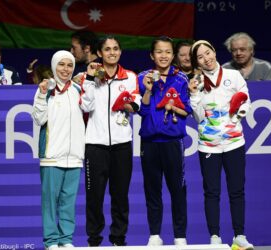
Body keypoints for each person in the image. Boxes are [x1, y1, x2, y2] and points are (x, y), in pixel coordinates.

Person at [189, 40, 254, 250]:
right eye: (200, 57)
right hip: (208, 146)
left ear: (214, 51)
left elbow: (245, 99)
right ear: (196, 62)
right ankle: (215, 237)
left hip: (234, 142)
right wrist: (194, 94)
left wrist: (236, 119)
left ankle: (239, 236)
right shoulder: (196, 82)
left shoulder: (233, 76)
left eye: (208, 52)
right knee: (212, 192)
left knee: (237, 190)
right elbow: (198, 118)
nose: (206, 58)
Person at [80, 36, 141, 247]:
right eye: (107, 49)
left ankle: (118, 239)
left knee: (120, 196)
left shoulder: (130, 77)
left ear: (120, 52)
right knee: (94, 197)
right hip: (95, 145)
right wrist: (89, 79)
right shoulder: (92, 76)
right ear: (100, 53)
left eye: (115, 49)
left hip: (122, 145)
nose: (112, 52)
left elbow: (136, 104)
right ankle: (94, 240)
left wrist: (130, 105)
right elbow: (86, 107)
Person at [138, 36, 192, 246]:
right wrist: (149, 89)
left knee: (177, 190)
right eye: (159, 52)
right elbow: (141, 111)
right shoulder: (143, 78)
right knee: (152, 190)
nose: (163, 56)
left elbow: (186, 111)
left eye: (168, 52)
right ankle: (154, 235)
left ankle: (180, 236)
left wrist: (172, 106)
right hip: (150, 142)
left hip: (172, 142)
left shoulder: (181, 79)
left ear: (173, 55)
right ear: (152, 55)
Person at [31, 50, 86, 250]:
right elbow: (38, 119)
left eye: (69, 65)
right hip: (52, 155)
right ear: (54, 67)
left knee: (68, 202)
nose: (66, 69)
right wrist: (42, 94)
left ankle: (66, 239)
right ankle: (51, 241)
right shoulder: (46, 89)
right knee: (50, 202)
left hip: (74, 156)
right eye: (61, 65)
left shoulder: (79, 90)